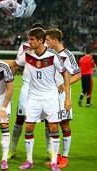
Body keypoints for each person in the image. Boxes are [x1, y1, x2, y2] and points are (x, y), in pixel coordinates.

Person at [15, 28, 71, 171]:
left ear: (40, 40)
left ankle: (54, 162)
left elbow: (65, 74)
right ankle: (29, 160)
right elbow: (15, 64)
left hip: (50, 96)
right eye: (29, 39)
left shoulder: (53, 56)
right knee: (28, 127)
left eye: (32, 39)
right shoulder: (28, 55)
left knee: (53, 127)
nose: (29, 42)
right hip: (33, 97)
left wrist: (67, 98)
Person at [7, 23, 45, 159]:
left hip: (44, 89)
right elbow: (17, 64)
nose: (30, 41)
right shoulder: (25, 47)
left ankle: (50, 151)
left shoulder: (49, 49)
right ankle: (12, 149)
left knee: (48, 121)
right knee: (20, 118)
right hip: (27, 86)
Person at [45, 28, 81, 168]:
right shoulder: (50, 54)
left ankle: (64, 158)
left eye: (48, 40)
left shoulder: (68, 55)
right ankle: (56, 157)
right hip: (49, 95)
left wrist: (64, 84)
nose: (46, 42)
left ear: (55, 40)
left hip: (62, 96)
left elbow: (77, 75)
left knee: (64, 124)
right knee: (52, 125)